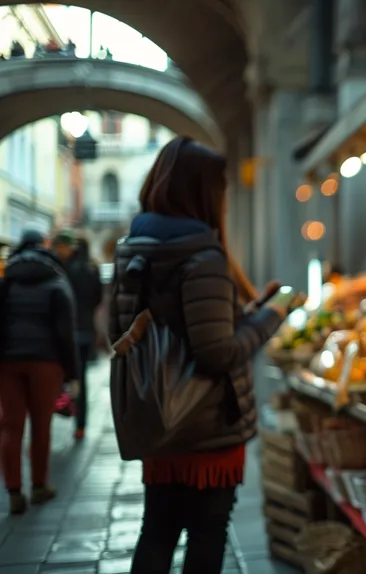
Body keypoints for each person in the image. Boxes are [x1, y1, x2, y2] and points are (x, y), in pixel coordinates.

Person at [108, 136, 305, 573]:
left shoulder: (132, 248)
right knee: (207, 530)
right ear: (204, 191)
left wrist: (247, 313)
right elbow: (218, 353)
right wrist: (273, 316)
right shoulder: (203, 254)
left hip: (158, 418)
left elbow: (124, 333)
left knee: (156, 528)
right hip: (208, 426)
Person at [0, 228, 78, 514]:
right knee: (41, 423)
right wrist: (72, 373)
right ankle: (39, 485)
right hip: (46, 362)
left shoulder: (6, 282)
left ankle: (13, 490)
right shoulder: (56, 281)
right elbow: (65, 332)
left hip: (7, 363)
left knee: (10, 425)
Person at [52, 230, 102, 441]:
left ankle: (61, 407)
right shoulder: (92, 268)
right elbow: (97, 299)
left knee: (60, 375)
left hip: (65, 332)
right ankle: (80, 425)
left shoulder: (62, 269)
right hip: (85, 331)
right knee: (80, 379)